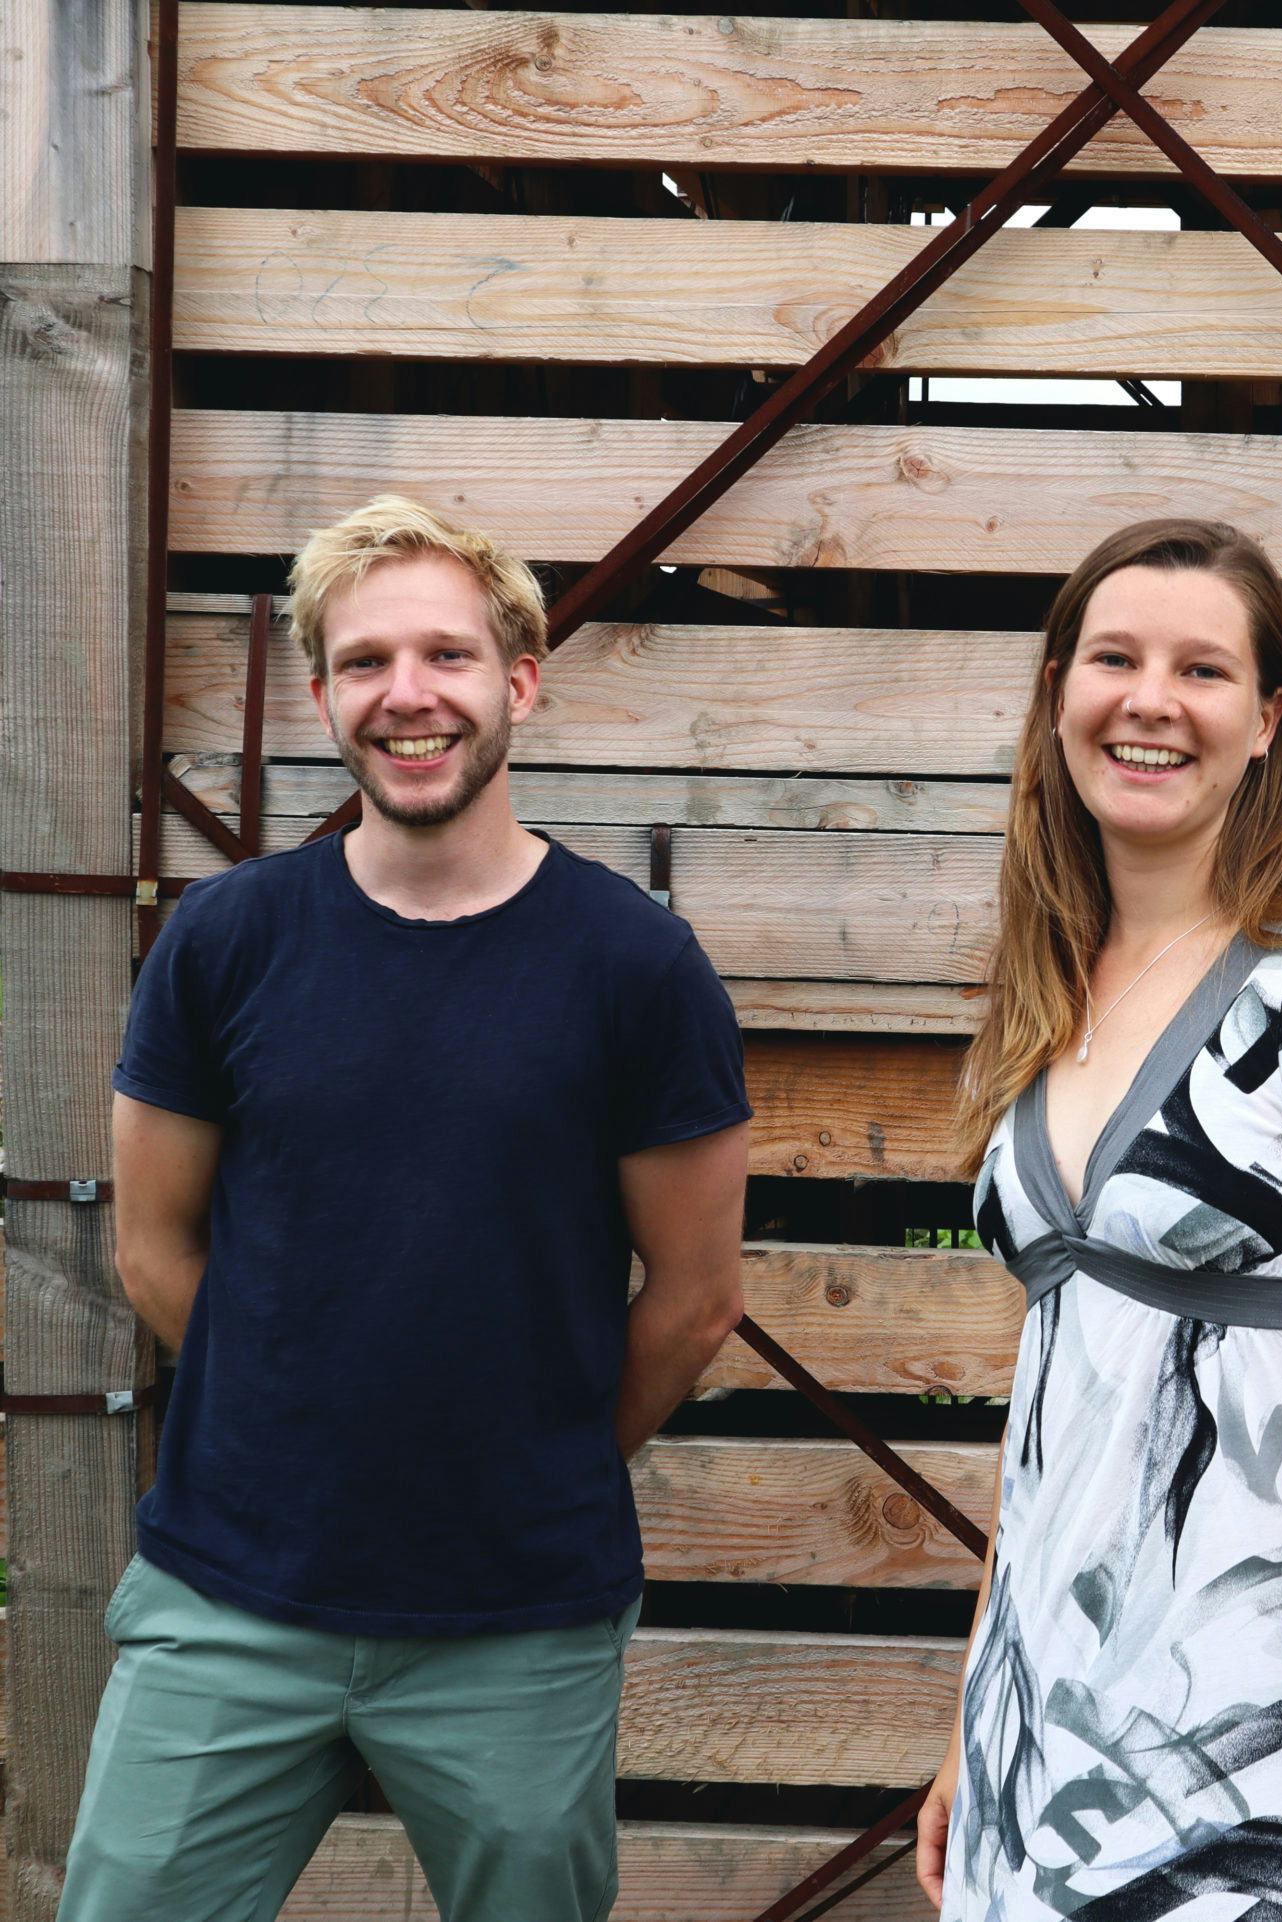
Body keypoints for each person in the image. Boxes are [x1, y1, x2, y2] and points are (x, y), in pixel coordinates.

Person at [60, 497, 752, 1922]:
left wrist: (524, 1450)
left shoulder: (636, 965)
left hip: (517, 1617)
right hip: (231, 1599)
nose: (408, 693)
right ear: (322, 694)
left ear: (522, 679)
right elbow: (151, 1244)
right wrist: (299, 1404)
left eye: (447, 653)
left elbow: (693, 1302)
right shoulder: (227, 939)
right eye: (366, 661)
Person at [914, 519, 1282, 1921]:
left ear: (1268, 719)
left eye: (1204, 668)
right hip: (1041, 1751)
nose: (1151, 698)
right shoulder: (1051, 999)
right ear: (1059, 695)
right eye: (1116, 657)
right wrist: (977, 1725)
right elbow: (1062, 1407)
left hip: (1246, 1764)